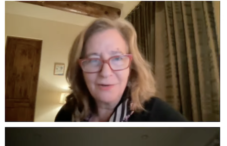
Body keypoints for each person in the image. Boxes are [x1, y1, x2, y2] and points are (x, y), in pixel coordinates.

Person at [55, 18, 186, 122]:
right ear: (80, 70)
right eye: (94, 60)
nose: (105, 73)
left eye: (117, 58)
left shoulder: (159, 115)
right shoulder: (66, 115)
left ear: (131, 66)